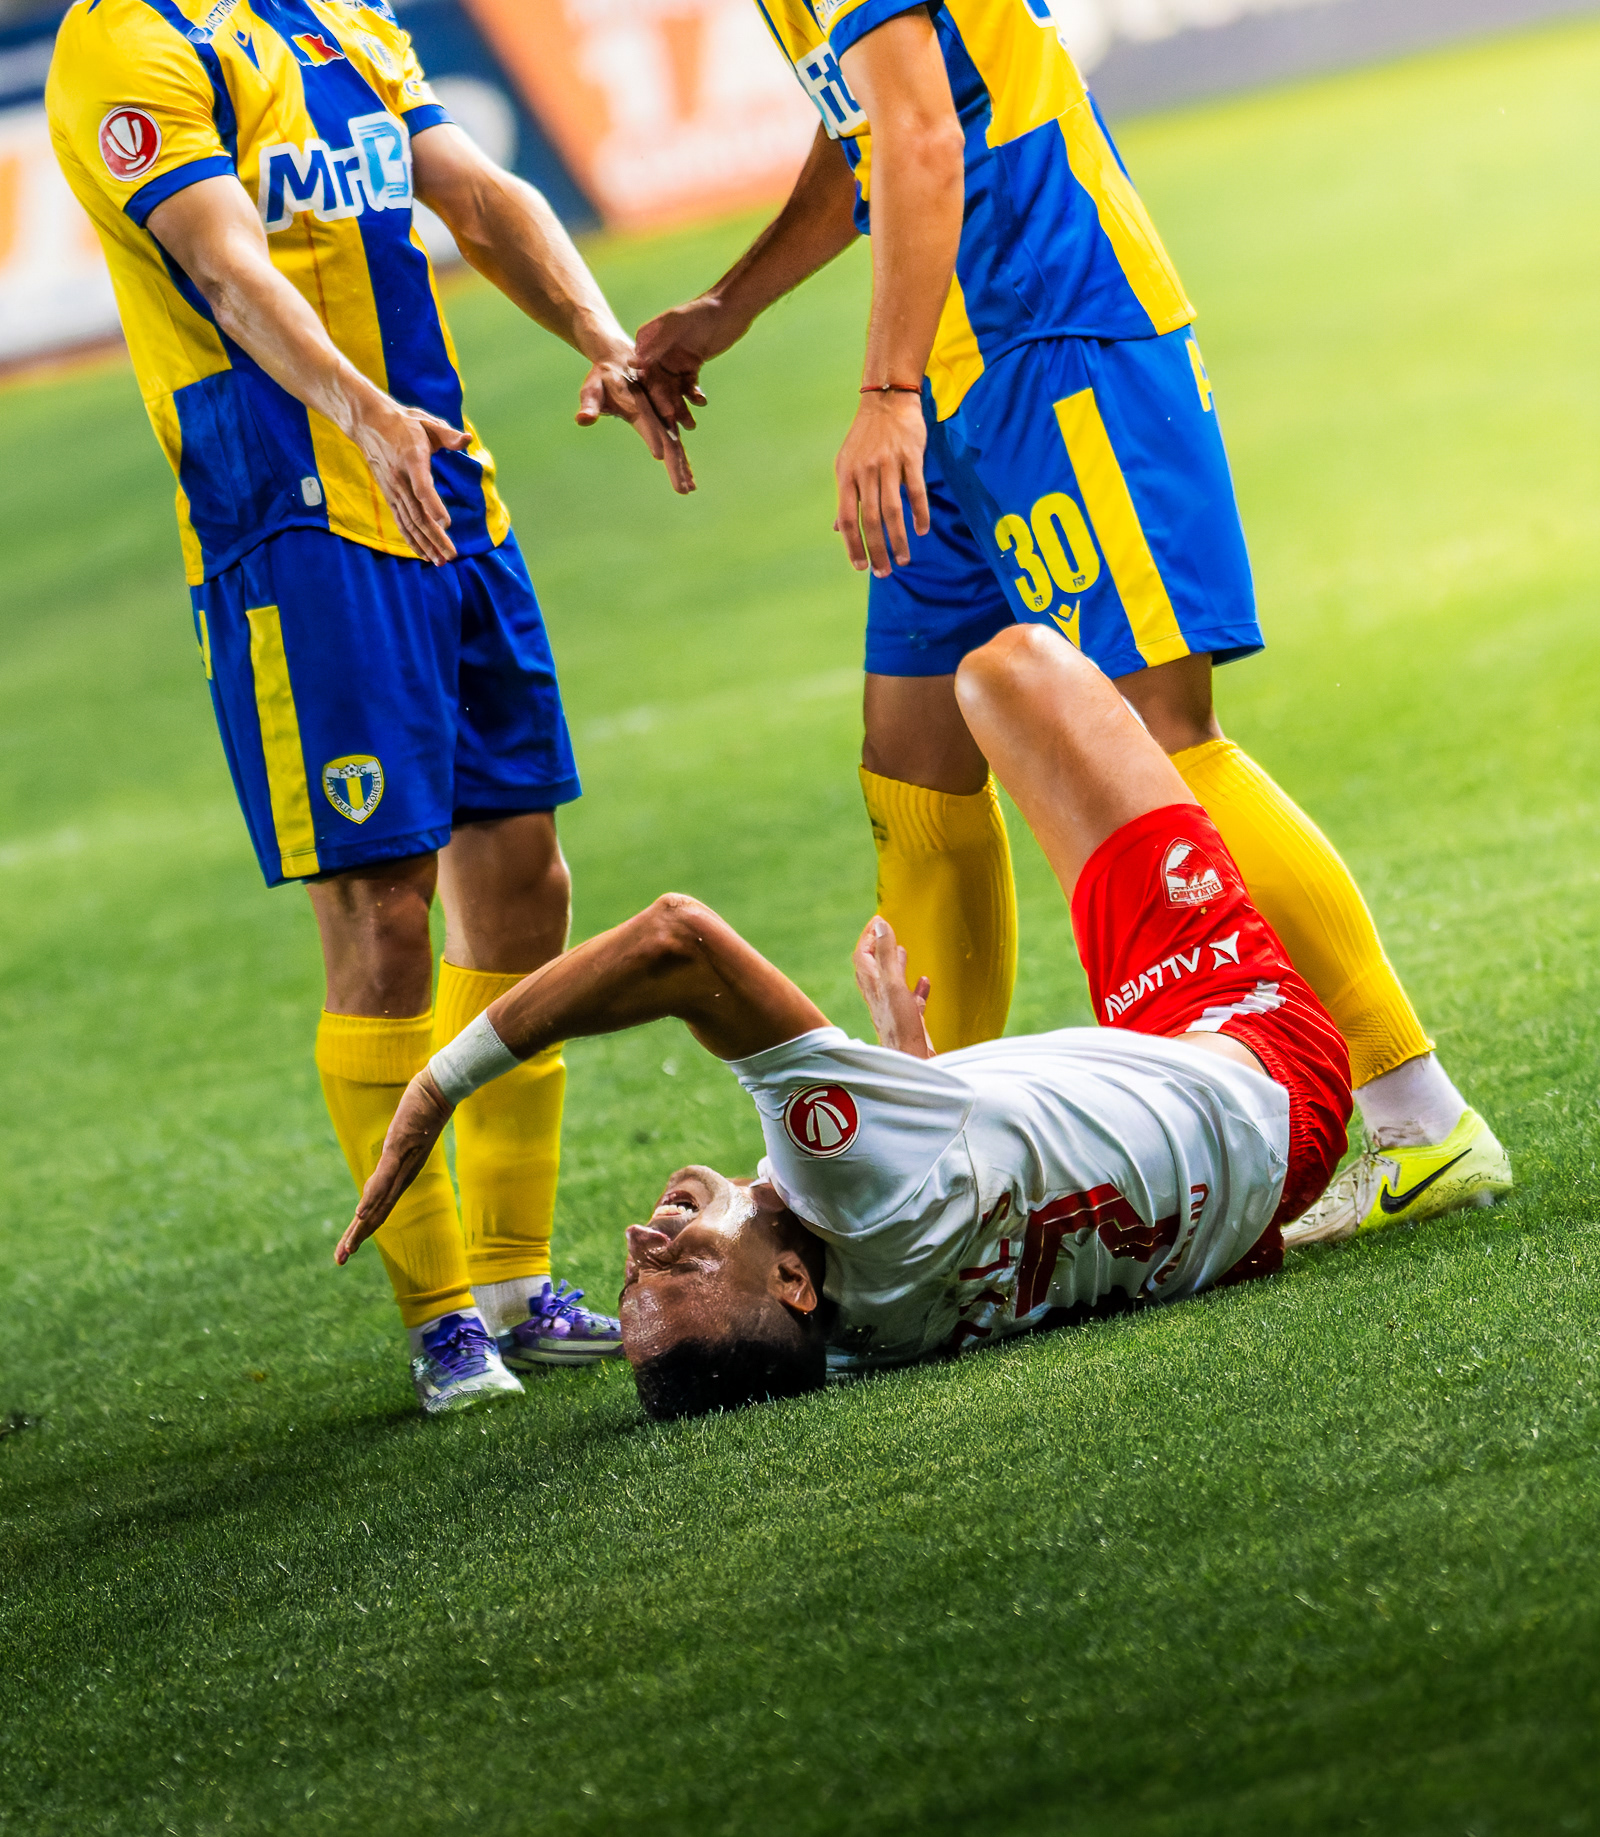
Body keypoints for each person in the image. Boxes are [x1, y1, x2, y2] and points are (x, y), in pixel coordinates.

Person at [627, 0, 1510, 1246]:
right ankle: (927, 1170)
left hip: (1052, 334)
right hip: (949, 374)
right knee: (913, 766)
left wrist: (881, 391)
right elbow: (868, 127)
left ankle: (1422, 1121)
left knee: (1159, 738)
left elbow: (923, 135)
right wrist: (731, 304)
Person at [46, 0, 690, 1413]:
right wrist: (360, 412)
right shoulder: (127, 44)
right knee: (381, 911)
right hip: (296, 522)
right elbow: (226, 268)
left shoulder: (341, 15)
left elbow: (476, 194)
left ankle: (517, 1283)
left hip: (445, 487)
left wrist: (603, 335)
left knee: (522, 881)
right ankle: (441, 1316)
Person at [337, 624, 1352, 1418]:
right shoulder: (846, 1183)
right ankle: (1417, 1104)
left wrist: (916, 1081)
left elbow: (913, 1211)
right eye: (685, 1258)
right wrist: (439, 1084)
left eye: (637, 1267)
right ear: (792, 1279)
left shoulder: (839, 1347)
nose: (645, 1234)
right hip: (1258, 1060)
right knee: (1012, 672)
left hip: (1225, 1217)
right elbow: (677, 942)